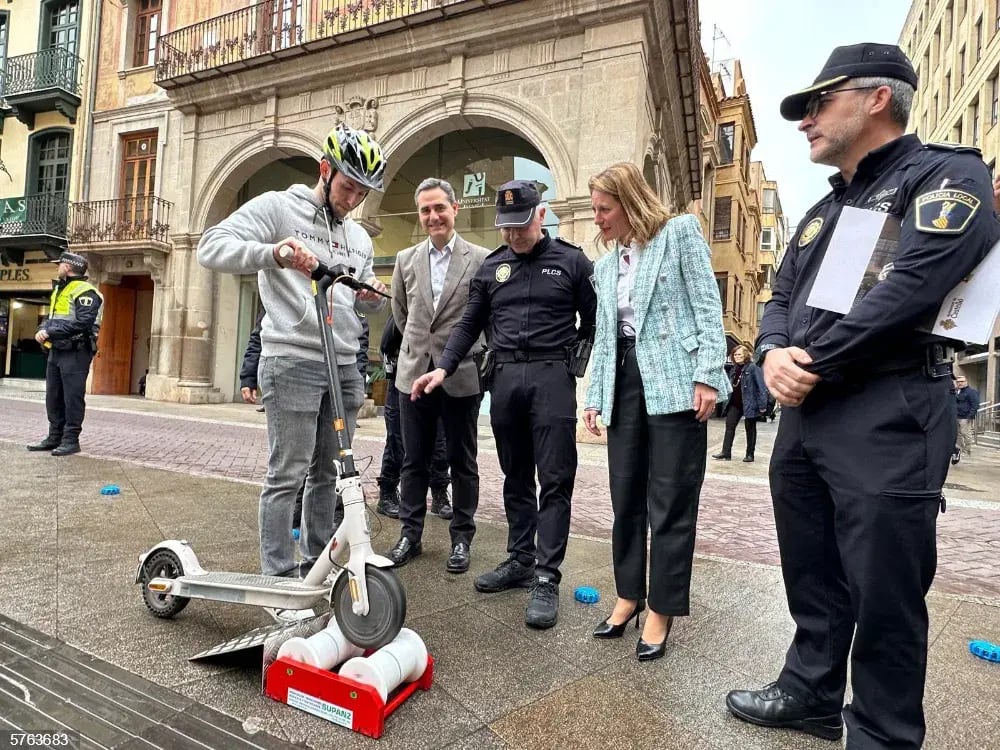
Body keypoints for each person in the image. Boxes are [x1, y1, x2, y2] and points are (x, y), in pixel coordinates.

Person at [724, 44, 1000, 748]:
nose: (805, 121)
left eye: (818, 103)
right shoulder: (824, 210)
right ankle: (810, 692)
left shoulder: (946, 174)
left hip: (892, 407)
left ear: (876, 98)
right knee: (810, 567)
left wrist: (811, 360)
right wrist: (770, 352)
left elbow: (913, 289)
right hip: (811, 411)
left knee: (885, 594)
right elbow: (781, 293)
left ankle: (881, 732)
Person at [197, 125, 388, 622]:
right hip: (292, 358)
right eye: (349, 187)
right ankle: (278, 582)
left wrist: (365, 297)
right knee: (288, 473)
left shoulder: (358, 236)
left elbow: (351, 301)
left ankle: (316, 569)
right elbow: (211, 247)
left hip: (342, 362)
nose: (354, 200)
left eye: (364, 192)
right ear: (325, 170)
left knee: (331, 472)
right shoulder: (278, 208)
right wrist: (274, 252)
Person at [412, 179, 597, 629]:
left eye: (521, 226)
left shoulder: (572, 262)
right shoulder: (491, 268)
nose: (513, 236)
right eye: (506, 229)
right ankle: (520, 560)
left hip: (553, 378)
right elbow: (467, 324)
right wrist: (445, 367)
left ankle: (547, 577)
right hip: (505, 379)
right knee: (515, 476)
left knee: (554, 481)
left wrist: (582, 365)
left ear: (541, 214)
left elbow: (594, 322)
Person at [582, 162, 728, 661]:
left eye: (604, 209)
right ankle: (628, 596)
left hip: (676, 379)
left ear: (630, 202)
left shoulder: (680, 232)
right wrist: (595, 395)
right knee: (625, 495)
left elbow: (708, 305)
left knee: (670, 498)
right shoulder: (606, 265)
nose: (597, 219)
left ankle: (661, 609)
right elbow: (605, 335)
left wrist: (709, 373)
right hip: (624, 378)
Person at [385, 178, 490, 574]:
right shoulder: (405, 258)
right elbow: (401, 313)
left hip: (461, 375)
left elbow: (484, 318)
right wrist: (420, 351)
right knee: (414, 459)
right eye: (425, 210)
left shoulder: (480, 258)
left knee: (463, 461)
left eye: (439, 208)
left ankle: (461, 538)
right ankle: (410, 535)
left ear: (455, 208)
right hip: (412, 375)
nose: (433, 217)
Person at [26, 251, 103, 457]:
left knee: (72, 398)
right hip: (57, 350)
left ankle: (71, 440)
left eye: (60, 264)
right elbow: (52, 317)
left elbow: (83, 323)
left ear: (68, 267)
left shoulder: (86, 291)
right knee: (53, 397)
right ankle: (54, 437)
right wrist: (42, 329)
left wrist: (49, 331)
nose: (57, 267)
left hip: (76, 352)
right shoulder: (61, 289)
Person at [376, 312, 452, 520]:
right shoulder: (407, 306)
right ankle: (387, 493)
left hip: (437, 375)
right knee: (398, 438)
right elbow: (388, 340)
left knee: (440, 439)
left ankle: (439, 494)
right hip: (403, 375)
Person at [712, 344, 768, 462]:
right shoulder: (734, 368)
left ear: (746, 355)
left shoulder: (753, 368)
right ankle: (726, 453)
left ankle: (750, 454)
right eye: (735, 354)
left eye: (739, 354)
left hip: (750, 403)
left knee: (750, 429)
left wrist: (763, 405)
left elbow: (761, 387)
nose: (736, 356)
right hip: (735, 403)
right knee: (729, 426)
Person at [953, 374, 980, 464]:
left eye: (961, 381)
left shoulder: (971, 392)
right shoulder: (956, 391)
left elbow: (975, 405)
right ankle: (960, 449)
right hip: (956, 416)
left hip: (965, 417)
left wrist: (970, 416)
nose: (959, 383)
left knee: (965, 433)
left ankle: (968, 449)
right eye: (958, 382)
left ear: (966, 382)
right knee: (958, 434)